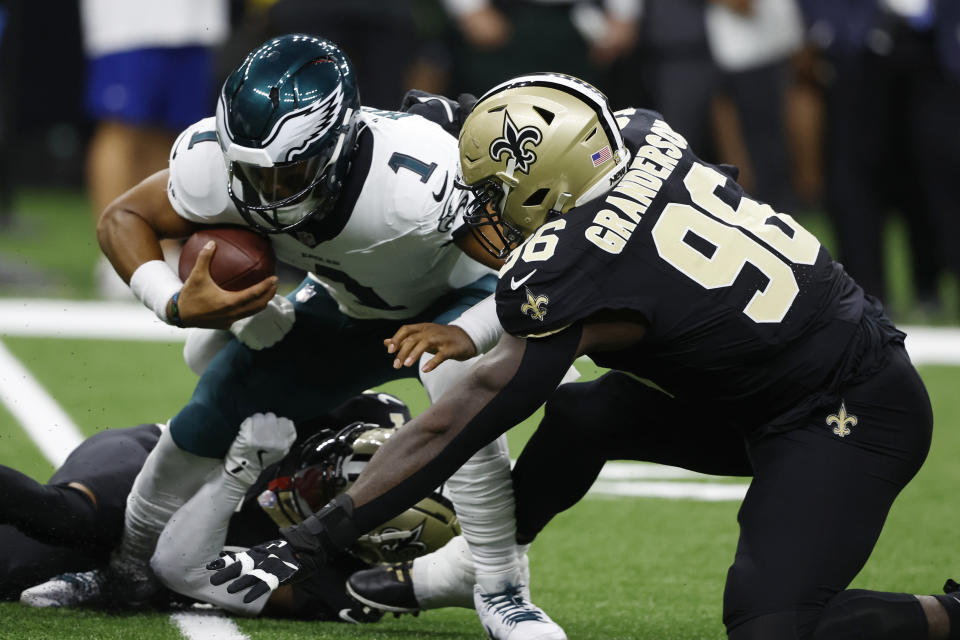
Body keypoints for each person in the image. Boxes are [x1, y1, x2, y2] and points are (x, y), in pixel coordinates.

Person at [210, 72, 960, 640]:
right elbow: (545, 135)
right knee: (583, 416)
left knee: (772, 625)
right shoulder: (637, 132)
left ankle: (950, 613)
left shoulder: (576, 264)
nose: (483, 209)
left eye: (494, 194)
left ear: (543, 194)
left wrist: (311, 540)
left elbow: (460, 420)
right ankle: (477, 567)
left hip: (844, 412)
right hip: (763, 382)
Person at [95, 34, 570, 639]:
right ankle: (128, 566)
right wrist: (171, 300)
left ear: (337, 145)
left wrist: (470, 329)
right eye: (249, 174)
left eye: (286, 175)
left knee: (456, 379)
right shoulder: (209, 161)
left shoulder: (417, 179)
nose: (265, 196)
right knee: (219, 398)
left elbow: (536, 265)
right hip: (351, 300)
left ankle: (500, 587)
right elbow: (124, 217)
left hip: (462, 294)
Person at [8, 393, 459, 622]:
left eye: (328, 499)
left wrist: (241, 472)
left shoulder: (339, 585)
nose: (304, 484)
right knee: (69, 517)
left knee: (10, 570)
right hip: (163, 466)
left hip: (186, 544)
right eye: (325, 469)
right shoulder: (372, 414)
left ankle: (110, 578)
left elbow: (181, 568)